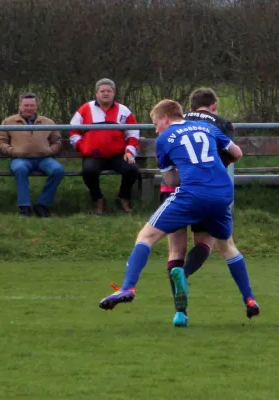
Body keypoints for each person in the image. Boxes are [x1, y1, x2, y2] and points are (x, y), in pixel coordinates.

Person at [99, 99, 260, 326]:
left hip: (191, 194)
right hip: (222, 192)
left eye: (156, 123)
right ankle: (250, 299)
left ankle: (128, 288)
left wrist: (185, 170)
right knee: (227, 246)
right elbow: (237, 152)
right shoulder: (209, 128)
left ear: (166, 117)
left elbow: (171, 180)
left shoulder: (165, 139)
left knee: (147, 236)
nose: (156, 129)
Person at [160, 88, 237, 322]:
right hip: (207, 191)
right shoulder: (221, 124)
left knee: (175, 251)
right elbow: (232, 154)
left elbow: (165, 151)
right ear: (214, 105)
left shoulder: (178, 123)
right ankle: (184, 273)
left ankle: (180, 313)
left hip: (174, 189)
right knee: (204, 242)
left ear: (190, 107)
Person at [69, 78, 139, 214]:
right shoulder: (85, 108)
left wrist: (130, 151)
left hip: (117, 154)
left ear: (114, 93)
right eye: (102, 91)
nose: (105, 93)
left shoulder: (124, 110)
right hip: (94, 154)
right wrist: (82, 147)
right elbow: (73, 131)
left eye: (109, 91)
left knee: (132, 170)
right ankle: (98, 199)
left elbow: (133, 132)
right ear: (96, 93)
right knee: (89, 172)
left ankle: (123, 197)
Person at [0, 93, 64, 217]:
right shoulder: (9, 121)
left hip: (44, 158)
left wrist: (50, 151)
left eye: (31, 105)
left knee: (58, 170)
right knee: (20, 170)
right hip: (20, 159)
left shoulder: (48, 122)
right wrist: (13, 151)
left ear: (36, 106)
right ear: (20, 106)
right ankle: (24, 208)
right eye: (26, 105)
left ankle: (42, 205)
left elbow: (57, 141)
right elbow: (1, 142)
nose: (29, 108)